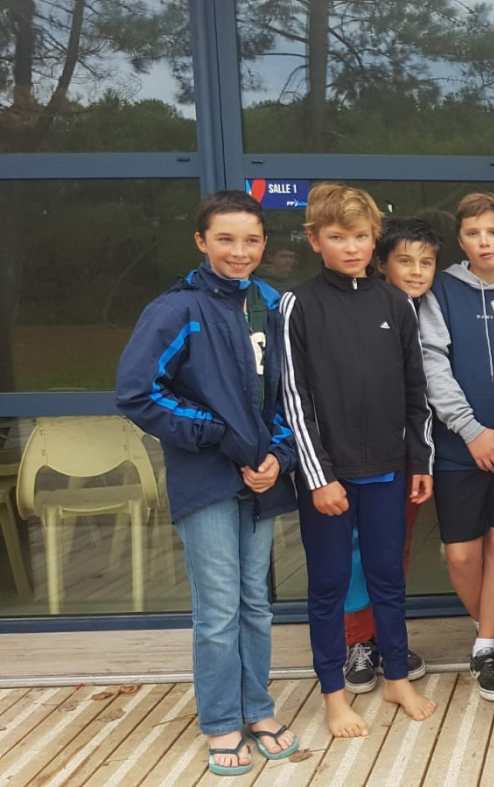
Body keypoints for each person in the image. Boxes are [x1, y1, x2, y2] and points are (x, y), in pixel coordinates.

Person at [116, 190, 301, 776]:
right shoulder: (176, 309)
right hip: (207, 480)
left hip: (261, 479)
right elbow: (139, 393)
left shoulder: (269, 305)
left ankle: (258, 709)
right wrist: (221, 436)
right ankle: (222, 721)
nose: (239, 251)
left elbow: (287, 393)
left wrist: (277, 455)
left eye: (250, 240)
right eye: (225, 239)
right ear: (201, 241)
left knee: (256, 604)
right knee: (218, 610)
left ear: (263, 244)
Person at [281, 183, 437, 737]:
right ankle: (334, 695)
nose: (351, 248)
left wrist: (420, 462)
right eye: (337, 237)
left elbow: (415, 390)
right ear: (314, 240)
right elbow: (294, 398)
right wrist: (319, 477)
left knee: (387, 578)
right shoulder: (298, 304)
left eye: (361, 237)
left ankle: (396, 677)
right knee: (328, 585)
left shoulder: (395, 303)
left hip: (389, 471)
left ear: (375, 240)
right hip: (329, 479)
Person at [418, 192, 494, 702]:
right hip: (458, 445)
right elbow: (432, 362)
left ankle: (486, 645)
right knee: (462, 554)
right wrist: (471, 431)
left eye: (493, 232)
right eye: (473, 233)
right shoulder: (441, 291)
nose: (484, 242)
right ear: (461, 241)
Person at [341, 217, 440, 694]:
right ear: (382, 264)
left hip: (409, 453)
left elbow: (420, 395)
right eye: (405, 261)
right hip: (357, 454)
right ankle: (357, 641)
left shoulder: (434, 311)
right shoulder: (362, 308)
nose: (416, 271)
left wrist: (420, 458)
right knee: (356, 549)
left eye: (426, 262)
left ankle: (388, 639)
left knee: (393, 548)